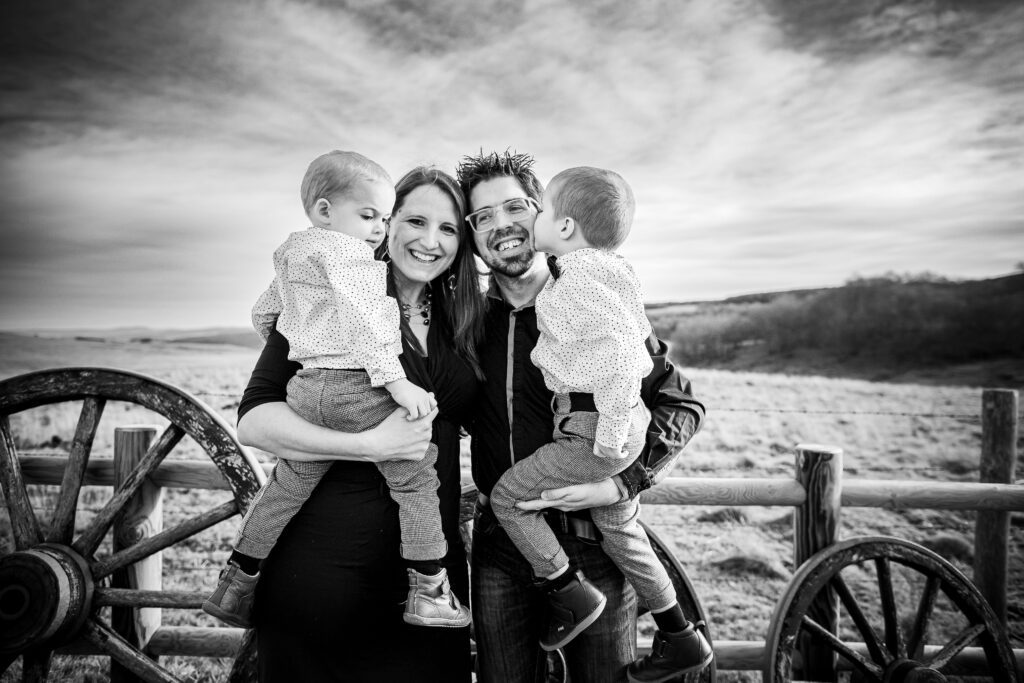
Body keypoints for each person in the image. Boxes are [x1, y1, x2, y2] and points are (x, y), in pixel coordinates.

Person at [456, 151, 709, 683]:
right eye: (482, 217)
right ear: (473, 235)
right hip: (502, 548)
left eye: (514, 207)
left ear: (544, 214)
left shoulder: (595, 303)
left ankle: (675, 635)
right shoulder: (468, 325)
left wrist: (623, 483)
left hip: (594, 543)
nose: (500, 224)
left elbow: (680, 404)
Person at [234, 166, 484, 682]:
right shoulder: (327, 303)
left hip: (429, 575)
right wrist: (371, 445)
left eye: (449, 228)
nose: (430, 241)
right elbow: (256, 422)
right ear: (387, 225)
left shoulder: (467, 322)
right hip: (325, 563)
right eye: (414, 220)